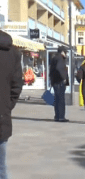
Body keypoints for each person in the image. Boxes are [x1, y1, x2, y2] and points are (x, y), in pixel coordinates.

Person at [0, 30, 23, 179]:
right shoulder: (12, 51)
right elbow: (16, 85)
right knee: (1, 168)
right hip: (1, 116)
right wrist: (6, 106)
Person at [50, 46, 70, 122]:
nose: (66, 54)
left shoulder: (55, 58)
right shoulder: (60, 59)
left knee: (57, 99)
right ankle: (61, 117)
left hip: (55, 82)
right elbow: (59, 68)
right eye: (65, 52)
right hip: (59, 82)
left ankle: (57, 116)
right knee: (61, 100)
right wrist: (64, 78)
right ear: (62, 52)